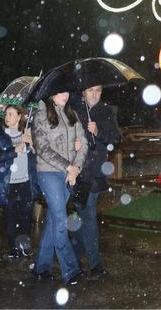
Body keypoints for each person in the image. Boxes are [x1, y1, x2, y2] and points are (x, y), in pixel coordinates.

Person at [29, 90, 85, 285]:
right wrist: (68, 166)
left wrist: (76, 167)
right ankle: (70, 269)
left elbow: (83, 143)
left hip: (69, 174)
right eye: (60, 91)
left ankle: (41, 268)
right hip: (49, 173)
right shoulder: (41, 115)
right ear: (51, 94)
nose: (65, 94)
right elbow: (43, 149)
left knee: (54, 219)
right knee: (61, 219)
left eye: (67, 90)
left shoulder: (73, 114)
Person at [69, 83, 121, 279]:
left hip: (96, 174)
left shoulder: (106, 111)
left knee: (84, 217)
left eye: (98, 90)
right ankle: (94, 265)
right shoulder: (73, 110)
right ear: (83, 92)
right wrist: (74, 144)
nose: (95, 94)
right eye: (91, 90)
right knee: (87, 217)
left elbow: (115, 139)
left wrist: (98, 131)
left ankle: (76, 261)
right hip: (78, 172)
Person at [0, 105, 37, 258]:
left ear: (19, 116)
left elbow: (36, 156)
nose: (7, 117)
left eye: (11, 114)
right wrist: (13, 150)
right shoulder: (0, 136)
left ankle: (24, 244)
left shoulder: (27, 133)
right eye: (6, 114)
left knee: (26, 215)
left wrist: (31, 143)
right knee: (11, 216)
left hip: (26, 181)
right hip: (8, 182)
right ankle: (12, 247)